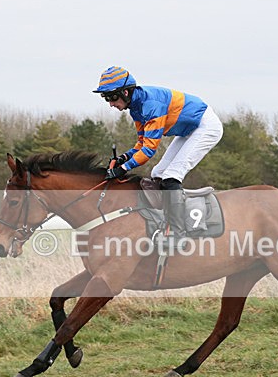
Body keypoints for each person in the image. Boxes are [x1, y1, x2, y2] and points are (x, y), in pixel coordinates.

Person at [93, 66, 223, 246]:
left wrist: (123, 169)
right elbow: (141, 144)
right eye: (105, 98)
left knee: (172, 176)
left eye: (112, 97)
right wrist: (123, 158)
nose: (110, 103)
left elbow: (149, 150)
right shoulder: (136, 108)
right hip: (188, 130)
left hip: (205, 127)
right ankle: (164, 223)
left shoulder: (151, 105)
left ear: (125, 92)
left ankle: (178, 234)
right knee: (157, 174)